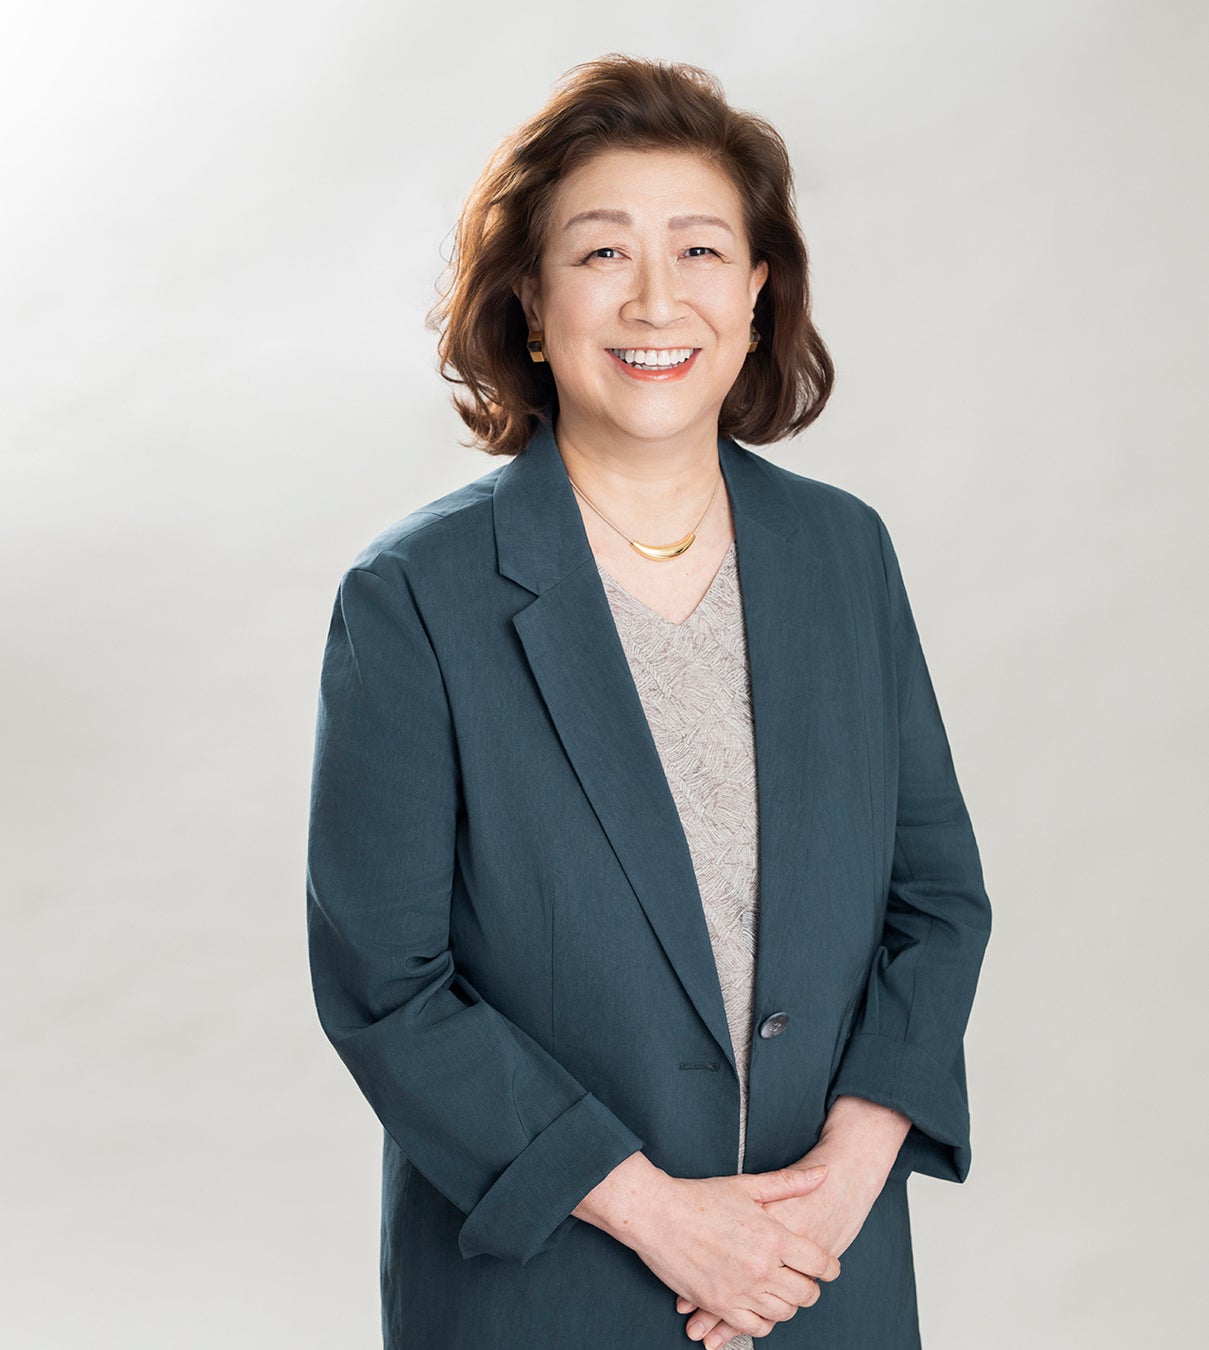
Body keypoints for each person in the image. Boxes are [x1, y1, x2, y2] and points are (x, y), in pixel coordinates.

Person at [306, 53, 992, 1350]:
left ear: (756, 290)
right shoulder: (412, 599)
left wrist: (843, 1177)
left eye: (699, 249)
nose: (656, 297)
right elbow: (388, 989)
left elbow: (937, 901)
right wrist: (661, 1216)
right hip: (546, 1290)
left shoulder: (843, 556)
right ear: (530, 296)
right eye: (603, 252)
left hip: (820, 1274)